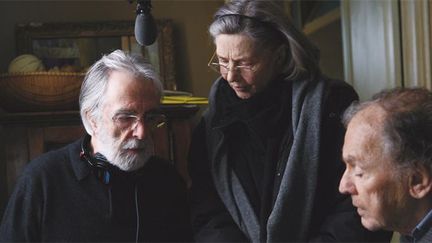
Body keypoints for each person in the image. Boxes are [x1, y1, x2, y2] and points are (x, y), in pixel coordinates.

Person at [188, 0, 392, 242]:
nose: (231, 75)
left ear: (280, 55)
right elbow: (207, 208)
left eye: (245, 63)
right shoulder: (213, 123)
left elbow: (359, 202)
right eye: (222, 61)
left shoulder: (331, 105)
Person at [0, 50, 192, 242]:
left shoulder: (168, 180)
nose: (141, 133)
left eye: (150, 118)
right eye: (125, 117)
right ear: (92, 120)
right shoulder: (42, 179)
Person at [339, 87, 432, 243]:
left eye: (359, 172)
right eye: (347, 166)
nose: (343, 187)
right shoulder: (413, 231)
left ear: (417, 181)